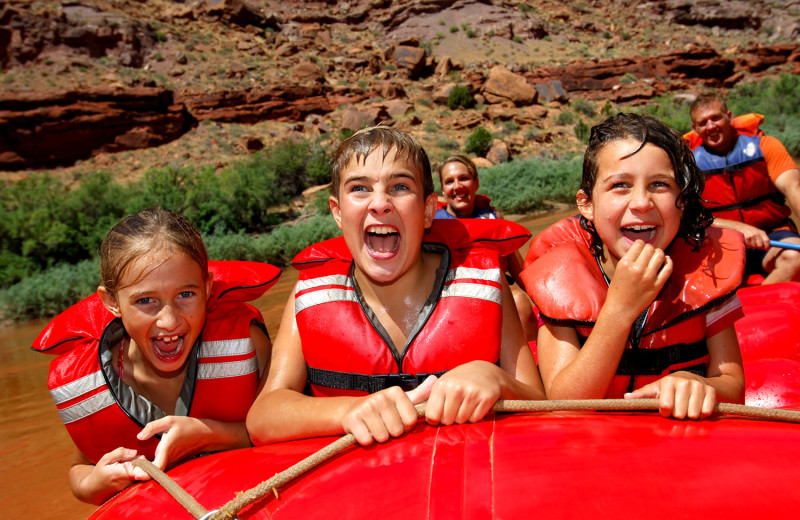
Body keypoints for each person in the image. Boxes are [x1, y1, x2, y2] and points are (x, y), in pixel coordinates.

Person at [246, 127, 545, 447]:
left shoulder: (489, 284)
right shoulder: (309, 294)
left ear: (429, 210)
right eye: (360, 188)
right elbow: (263, 416)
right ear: (337, 211)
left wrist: (498, 380)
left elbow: (539, 403)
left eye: (399, 186)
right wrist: (350, 410)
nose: (380, 203)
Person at [32, 207, 280, 505]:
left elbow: (283, 425)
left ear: (207, 288)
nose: (169, 321)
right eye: (146, 300)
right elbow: (80, 468)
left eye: (186, 295)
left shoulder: (247, 345)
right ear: (111, 302)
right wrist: (93, 484)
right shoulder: (93, 382)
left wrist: (211, 434)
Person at [522, 113, 746, 419]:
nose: (642, 202)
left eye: (659, 184)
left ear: (682, 201)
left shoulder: (706, 270)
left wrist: (695, 382)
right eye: (620, 185)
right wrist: (620, 309)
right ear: (587, 204)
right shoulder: (559, 277)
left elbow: (733, 386)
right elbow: (566, 406)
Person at [687, 93, 800, 284]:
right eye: (703, 122)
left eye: (716, 118)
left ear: (729, 117)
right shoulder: (688, 165)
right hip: (718, 239)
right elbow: (686, 217)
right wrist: (738, 228)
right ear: (695, 129)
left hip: (773, 233)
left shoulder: (766, 146)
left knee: (795, 258)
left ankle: (760, 306)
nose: (711, 126)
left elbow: (793, 188)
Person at [435, 155, 538, 342]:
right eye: (449, 181)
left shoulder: (493, 218)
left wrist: (545, 301)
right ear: (443, 190)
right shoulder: (433, 225)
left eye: (464, 178)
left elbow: (519, 271)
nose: (457, 186)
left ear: (476, 183)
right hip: (454, 303)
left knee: (520, 301)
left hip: (499, 297)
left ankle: (534, 362)